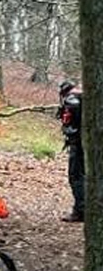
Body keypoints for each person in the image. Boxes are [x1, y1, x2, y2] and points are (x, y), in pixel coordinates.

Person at [58, 81, 84, 222]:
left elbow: (70, 120)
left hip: (78, 142)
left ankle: (81, 210)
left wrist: (69, 130)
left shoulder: (71, 99)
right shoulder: (84, 96)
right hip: (85, 142)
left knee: (75, 176)